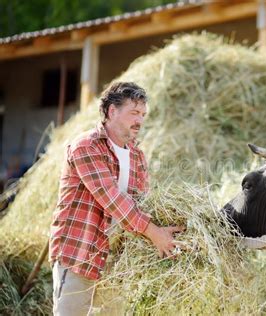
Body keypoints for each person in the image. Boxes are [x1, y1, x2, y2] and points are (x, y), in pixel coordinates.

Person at [49, 81, 184, 315]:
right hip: (80, 254)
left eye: (143, 114)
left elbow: (142, 201)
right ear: (112, 111)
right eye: (134, 113)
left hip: (116, 262)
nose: (140, 121)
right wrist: (155, 234)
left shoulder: (137, 155)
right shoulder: (86, 146)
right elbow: (113, 200)